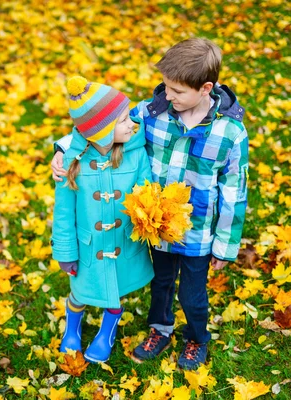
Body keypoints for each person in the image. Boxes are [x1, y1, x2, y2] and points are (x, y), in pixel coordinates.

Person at [51, 38, 249, 370]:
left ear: (205, 88)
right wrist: (62, 147)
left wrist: (225, 246)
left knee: (192, 294)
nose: (166, 94)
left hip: (197, 234)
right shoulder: (152, 112)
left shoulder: (230, 133)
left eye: (175, 90)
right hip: (154, 227)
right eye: (166, 87)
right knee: (160, 284)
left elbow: (234, 191)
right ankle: (160, 329)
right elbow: (99, 125)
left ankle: (197, 337)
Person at [52, 75, 154, 363]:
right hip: (88, 246)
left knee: (116, 290)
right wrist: (64, 251)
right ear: (101, 132)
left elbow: (146, 193)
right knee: (80, 292)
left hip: (122, 241)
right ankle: (72, 328)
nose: (131, 124)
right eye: (123, 120)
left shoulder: (135, 155)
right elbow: (63, 213)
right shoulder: (73, 163)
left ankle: (106, 333)